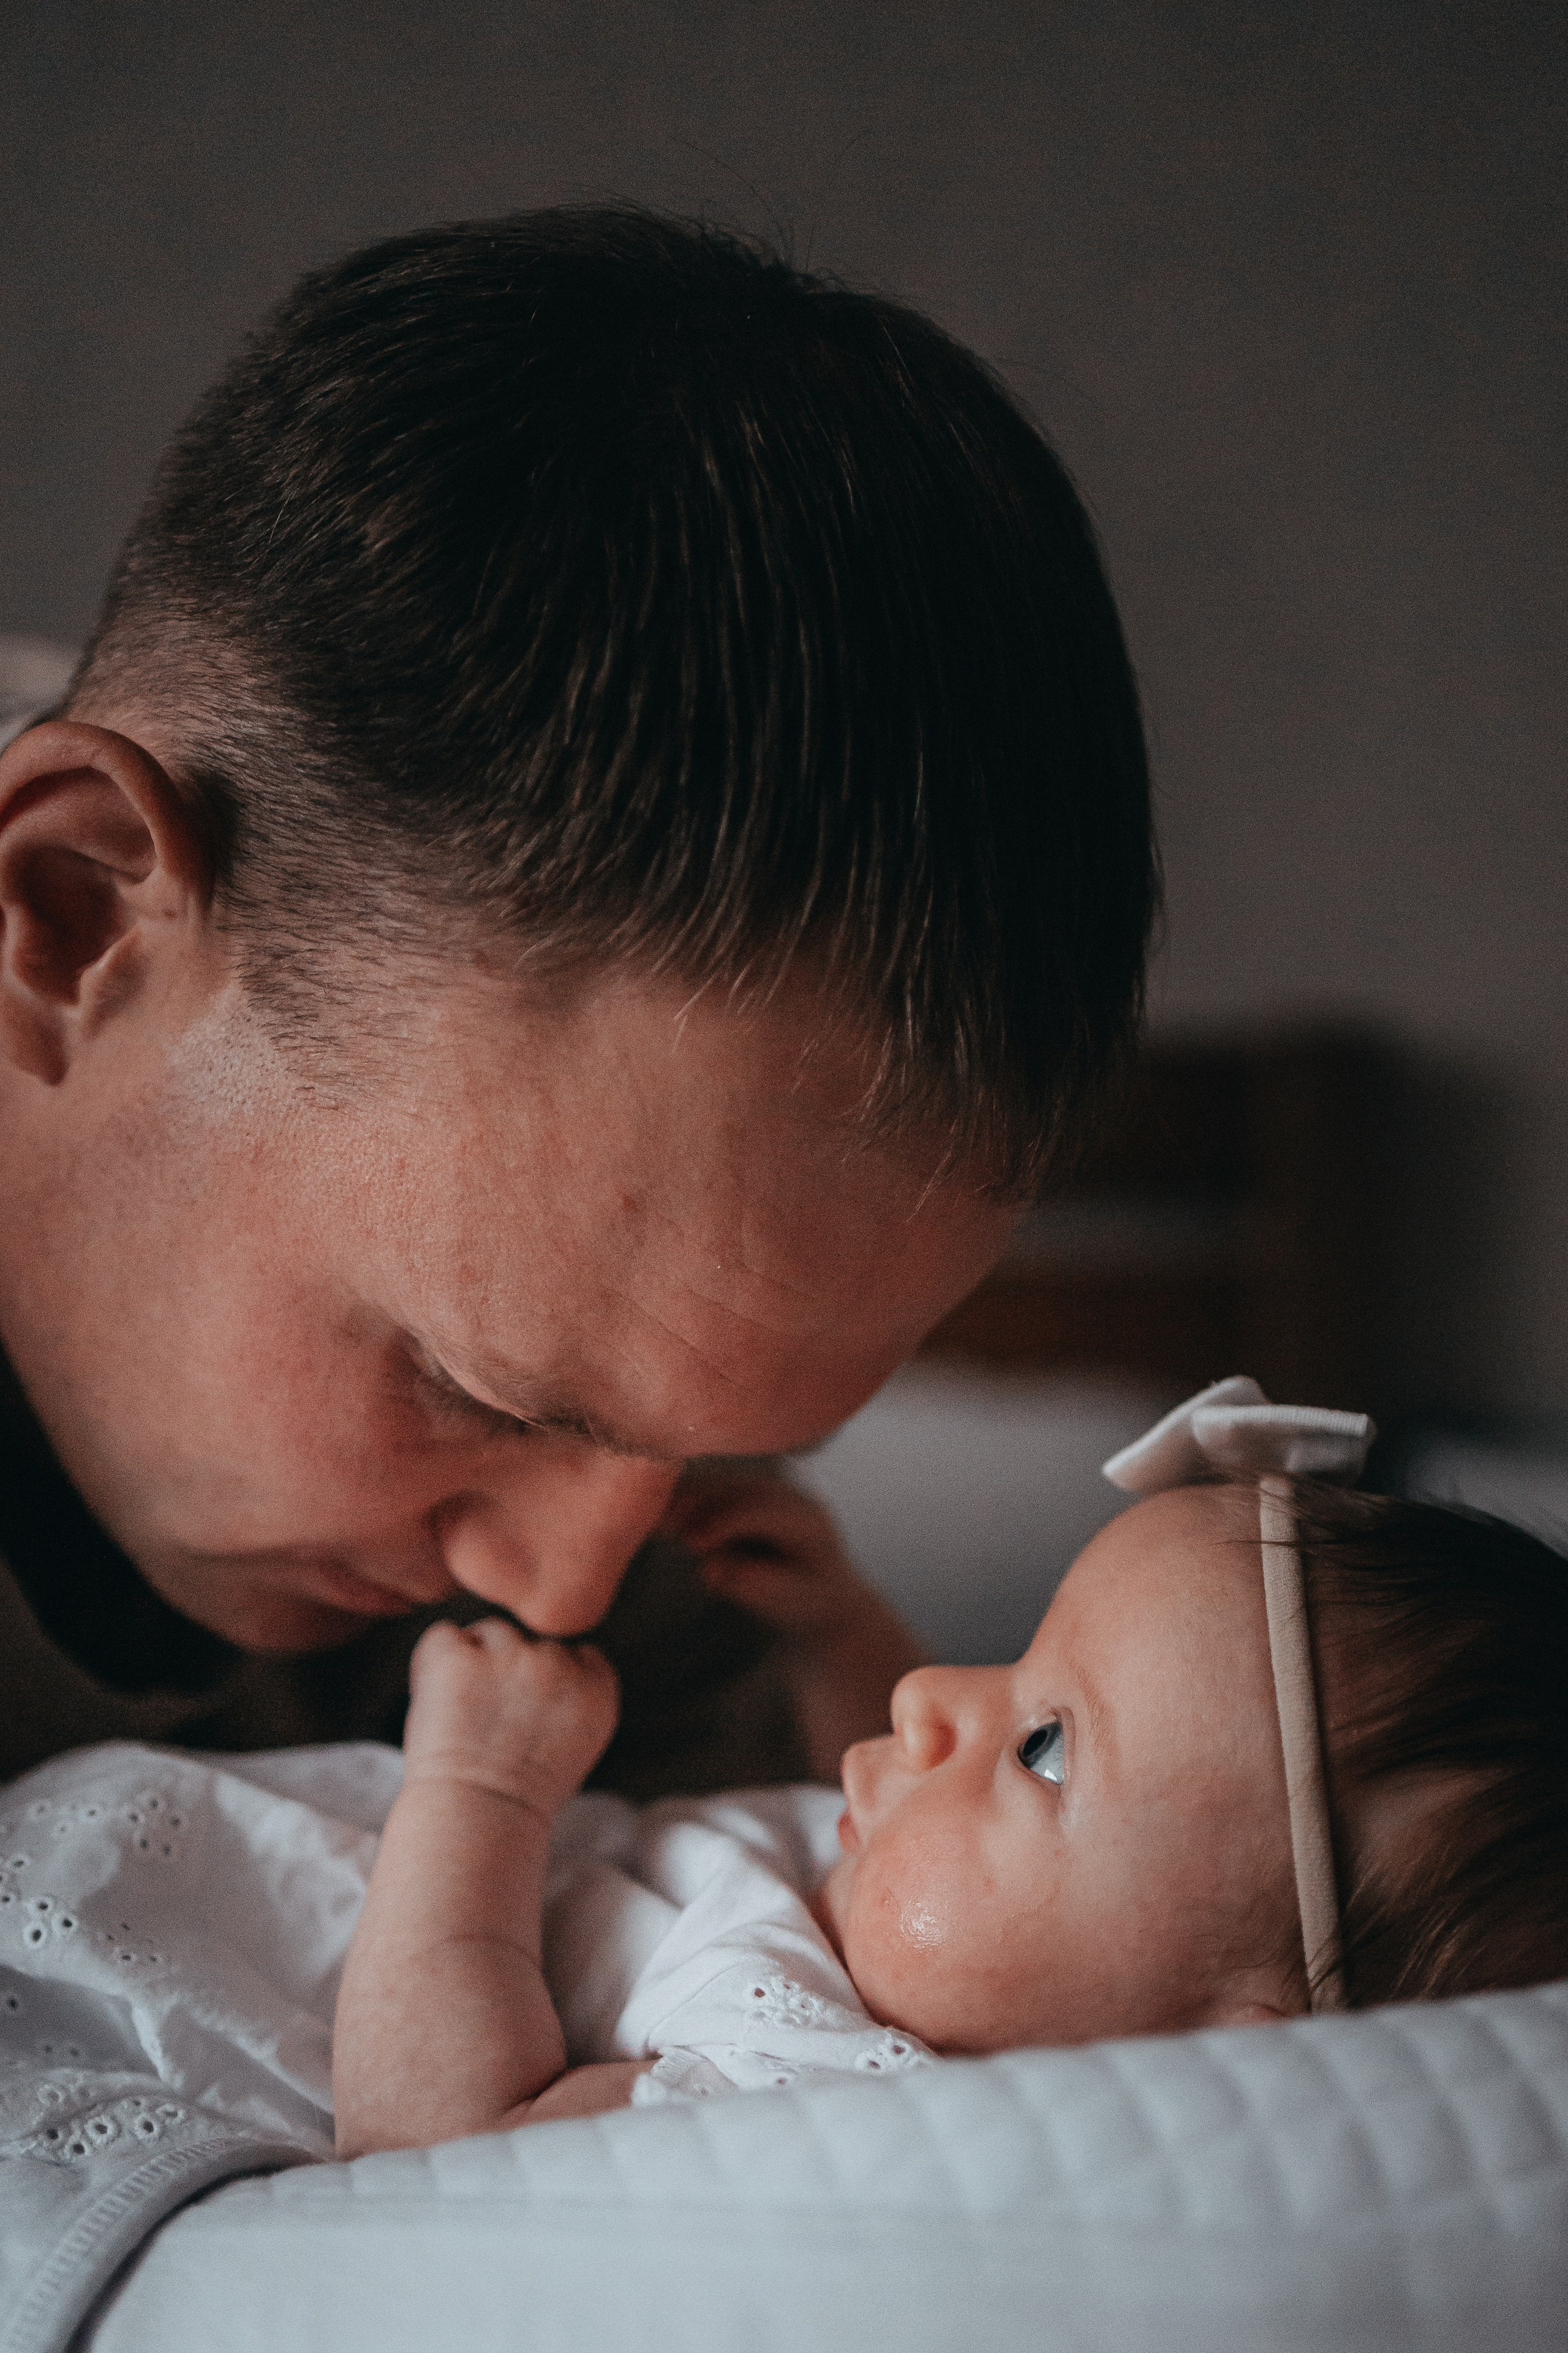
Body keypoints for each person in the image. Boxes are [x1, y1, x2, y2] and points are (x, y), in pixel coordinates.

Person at [0, 208, 1155, 1789]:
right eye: (475, 1391)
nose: (563, 1595)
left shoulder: (661, 1535)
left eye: (729, 1446)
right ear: (72, 922)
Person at [5, 1385, 1563, 2169]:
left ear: (1221, 2045)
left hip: (127, 1973)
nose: (928, 1693)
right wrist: (835, 1625)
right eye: (1015, 1654)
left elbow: (439, 2145)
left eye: (1044, 1741)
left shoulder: (807, 2087)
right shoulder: (950, 1960)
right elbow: (875, 1818)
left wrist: (473, 1795)